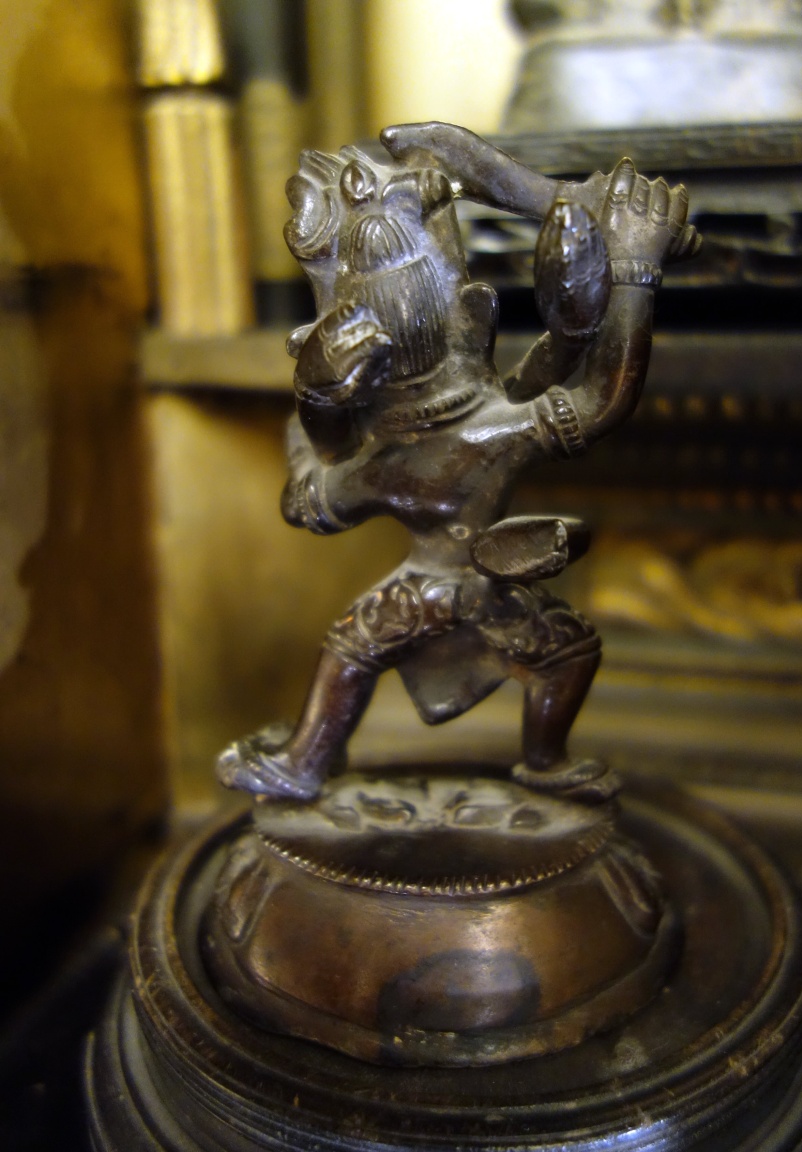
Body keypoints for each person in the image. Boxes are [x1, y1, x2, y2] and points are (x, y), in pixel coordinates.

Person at [217, 123, 698, 805]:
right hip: (455, 587)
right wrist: (634, 273)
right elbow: (604, 399)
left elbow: (310, 497)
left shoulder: (426, 442)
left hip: (436, 583)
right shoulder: (481, 434)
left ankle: (305, 759)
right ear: (476, 319)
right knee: (566, 653)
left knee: (351, 651)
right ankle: (541, 760)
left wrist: (316, 405)